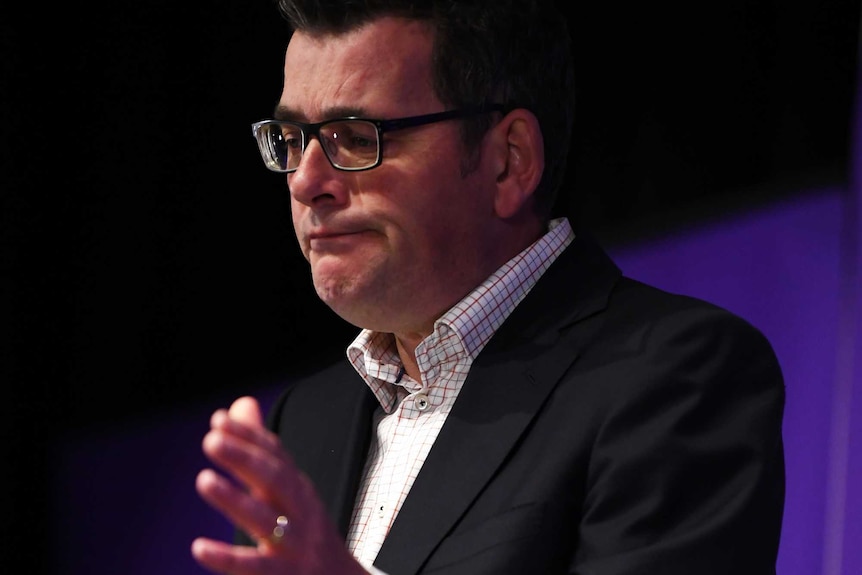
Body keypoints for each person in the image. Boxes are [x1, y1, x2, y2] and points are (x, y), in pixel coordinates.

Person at [191, 1, 786, 573]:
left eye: (356, 135)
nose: (307, 182)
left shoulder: (676, 376)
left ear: (509, 160)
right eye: (293, 141)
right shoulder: (301, 423)